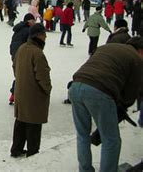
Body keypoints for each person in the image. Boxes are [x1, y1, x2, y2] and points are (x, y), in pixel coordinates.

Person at [68, 37, 143, 172]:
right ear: (140, 51)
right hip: (99, 91)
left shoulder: (107, 47)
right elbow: (133, 90)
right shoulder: (135, 59)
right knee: (111, 139)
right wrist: (123, 105)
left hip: (75, 86)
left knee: (82, 134)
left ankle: (85, 170)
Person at [10, 23, 51, 158]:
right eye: (44, 34)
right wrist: (47, 89)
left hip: (21, 91)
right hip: (34, 94)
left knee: (21, 121)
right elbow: (43, 76)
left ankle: (16, 149)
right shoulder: (37, 53)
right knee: (33, 124)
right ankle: (33, 153)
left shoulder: (22, 48)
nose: (45, 37)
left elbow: (15, 66)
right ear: (38, 36)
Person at [8, 13, 36, 105]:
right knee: (24, 75)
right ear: (28, 21)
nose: (34, 22)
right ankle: (17, 94)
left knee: (20, 74)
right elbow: (30, 44)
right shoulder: (27, 30)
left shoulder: (19, 29)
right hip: (21, 55)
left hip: (15, 53)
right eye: (32, 20)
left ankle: (14, 94)